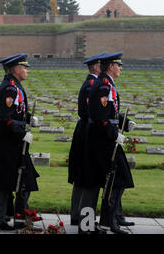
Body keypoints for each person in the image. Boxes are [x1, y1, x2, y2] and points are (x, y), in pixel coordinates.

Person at [80, 52, 136, 234]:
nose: (120, 68)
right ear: (110, 66)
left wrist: (124, 122)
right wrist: (113, 134)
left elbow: (109, 112)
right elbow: (99, 116)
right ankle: (108, 222)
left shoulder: (106, 83)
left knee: (114, 181)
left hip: (105, 139)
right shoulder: (104, 85)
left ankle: (107, 222)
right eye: (118, 65)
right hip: (104, 141)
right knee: (117, 180)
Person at [0, 54, 40, 230]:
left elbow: (18, 112)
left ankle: (19, 219)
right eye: (24, 67)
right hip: (6, 142)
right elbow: (4, 118)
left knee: (23, 181)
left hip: (12, 142)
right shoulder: (9, 88)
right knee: (4, 182)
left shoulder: (15, 86)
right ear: (16, 69)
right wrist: (21, 131)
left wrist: (30, 119)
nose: (27, 71)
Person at [68, 52, 106, 225]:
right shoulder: (93, 84)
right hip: (88, 131)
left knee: (82, 176)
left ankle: (77, 216)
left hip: (84, 130)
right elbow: (94, 110)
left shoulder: (91, 82)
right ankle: (85, 221)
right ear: (97, 67)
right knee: (88, 177)